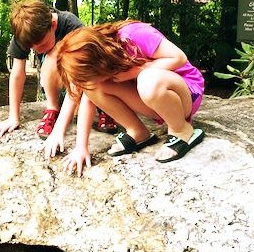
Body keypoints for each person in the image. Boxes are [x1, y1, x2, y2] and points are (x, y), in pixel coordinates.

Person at [50, 20, 205, 175]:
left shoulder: (133, 34)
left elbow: (179, 58)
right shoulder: (104, 63)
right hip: (155, 101)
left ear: (97, 59)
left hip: (185, 92)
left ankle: (180, 129)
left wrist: (134, 72)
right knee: (95, 88)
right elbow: (88, 98)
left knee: (148, 80)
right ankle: (137, 132)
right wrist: (81, 147)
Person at [0, 0, 117, 142]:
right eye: (33, 48)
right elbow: (17, 74)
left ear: (53, 25)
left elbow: (83, 75)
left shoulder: (72, 26)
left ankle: (105, 107)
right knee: (50, 57)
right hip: (61, 82)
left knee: (54, 54)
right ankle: (52, 107)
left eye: (42, 44)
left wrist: (60, 129)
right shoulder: (25, 31)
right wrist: (13, 116)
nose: (38, 51)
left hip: (89, 74)